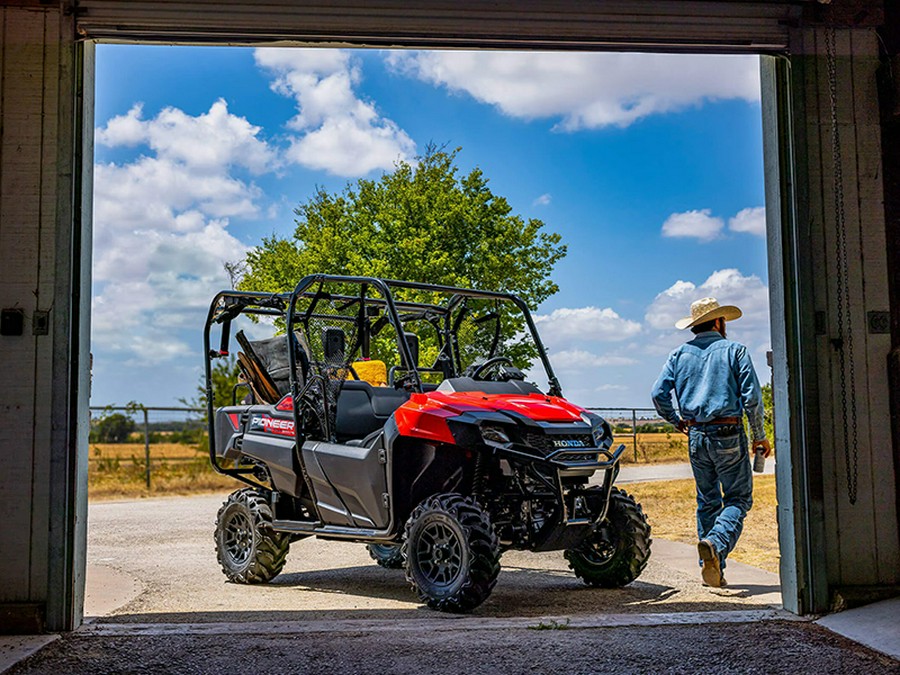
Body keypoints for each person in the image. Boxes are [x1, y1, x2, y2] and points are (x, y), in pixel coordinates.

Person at [650, 297, 771, 588]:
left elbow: (658, 394)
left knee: (707, 502)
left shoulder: (679, 354)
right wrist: (759, 435)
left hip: (695, 435)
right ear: (719, 321)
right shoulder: (735, 351)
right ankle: (715, 544)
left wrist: (677, 421)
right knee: (739, 499)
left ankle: (711, 566)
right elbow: (752, 398)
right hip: (728, 432)